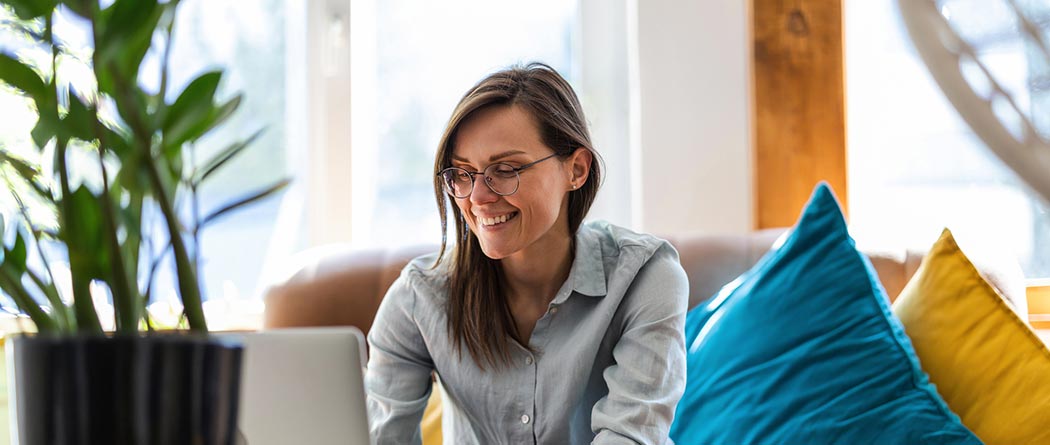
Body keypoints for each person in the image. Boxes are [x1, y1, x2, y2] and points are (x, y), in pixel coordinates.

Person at [365, 62, 688, 444]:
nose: (479, 198)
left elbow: (630, 435)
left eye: (505, 169)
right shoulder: (418, 300)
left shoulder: (646, 279)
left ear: (577, 170)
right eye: (463, 173)